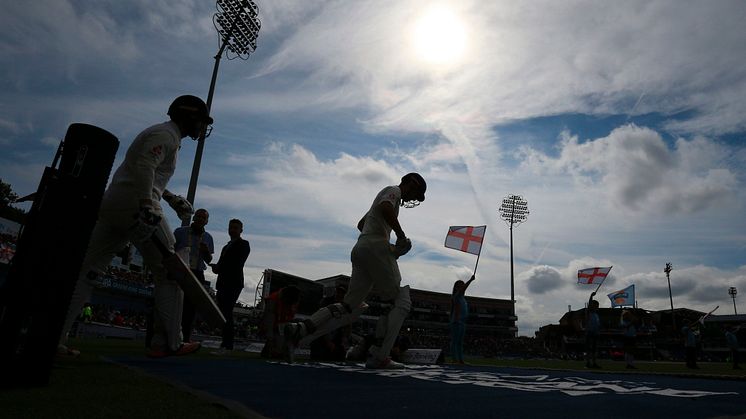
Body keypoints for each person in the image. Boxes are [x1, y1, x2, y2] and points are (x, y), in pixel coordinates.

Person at [57, 95, 213, 358]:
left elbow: (146, 172)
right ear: (188, 117)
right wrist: (147, 202)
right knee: (171, 272)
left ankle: (53, 339)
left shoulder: (162, 134)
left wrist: (170, 197)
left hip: (114, 206)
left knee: (87, 272)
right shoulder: (165, 135)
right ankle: (170, 343)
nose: (201, 128)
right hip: (136, 207)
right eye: (200, 121)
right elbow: (145, 167)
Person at [281, 172, 427, 369]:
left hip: (361, 248)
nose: (412, 200)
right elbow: (385, 208)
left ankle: (300, 329)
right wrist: (399, 237)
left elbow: (361, 224)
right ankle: (380, 355)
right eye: (415, 194)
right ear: (411, 183)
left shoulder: (383, 197)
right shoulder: (393, 191)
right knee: (400, 301)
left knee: (350, 307)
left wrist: (380, 238)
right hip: (375, 247)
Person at [210, 219, 251, 355]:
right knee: (223, 313)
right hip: (223, 282)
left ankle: (227, 345)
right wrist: (213, 265)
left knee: (226, 312)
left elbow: (236, 263)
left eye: (235, 228)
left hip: (233, 283)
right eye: (231, 227)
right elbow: (220, 267)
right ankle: (226, 344)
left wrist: (219, 267)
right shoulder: (226, 247)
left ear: (241, 230)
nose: (232, 230)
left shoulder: (244, 244)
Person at [173, 208, 214, 342]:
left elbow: (208, 260)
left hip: (197, 273)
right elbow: (171, 251)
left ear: (206, 221)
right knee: (174, 302)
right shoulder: (180, 232)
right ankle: (168, 334)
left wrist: (206, 252)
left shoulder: (208, 237)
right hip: (180, 270)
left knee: (191, 308)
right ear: (194, 217)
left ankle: (185, 338)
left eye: (204, 218)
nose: (201, 219)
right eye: (199, 216)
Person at [310, 285, 350, 361]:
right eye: (338, 294)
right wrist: (328, 341)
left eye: (341, 295)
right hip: (321, 336)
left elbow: (348, 323)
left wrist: (345, 338)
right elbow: (322, 323)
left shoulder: (345, 306)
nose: (339, 296)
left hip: (334, 335)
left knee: (339, 353)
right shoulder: (326, 303)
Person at [261, 285, 301, 359]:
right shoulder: (273, 299)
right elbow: (268, 319)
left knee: (281, 346)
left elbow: (291, 317)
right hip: (273, 324)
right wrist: (270, 336)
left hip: (283, 325)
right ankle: (271, 351)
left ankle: (276, 352)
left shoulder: (294, 300)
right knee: (276, 342)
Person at [450, 274, 476, 365]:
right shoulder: (456, 296)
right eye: (460, 285)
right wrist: (470, 280)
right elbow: (463, 289)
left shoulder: (462, 298)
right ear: (457, 288)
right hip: (457, 322)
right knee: (455, 341)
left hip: (462, 322)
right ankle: (454, 359)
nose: (462, 287)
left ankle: (460, 360)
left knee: (460, 342)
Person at [584, 292, 601, 369]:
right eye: (596, 305)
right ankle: (588, 363)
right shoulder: (589, 312)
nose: (597, 307)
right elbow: (589, 305)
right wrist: (591, 296)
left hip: (595, 333)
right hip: (589, 333)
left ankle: (594, 363)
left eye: (597, 305)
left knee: (594, 350)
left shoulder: (596, 315)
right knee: (589, 349)